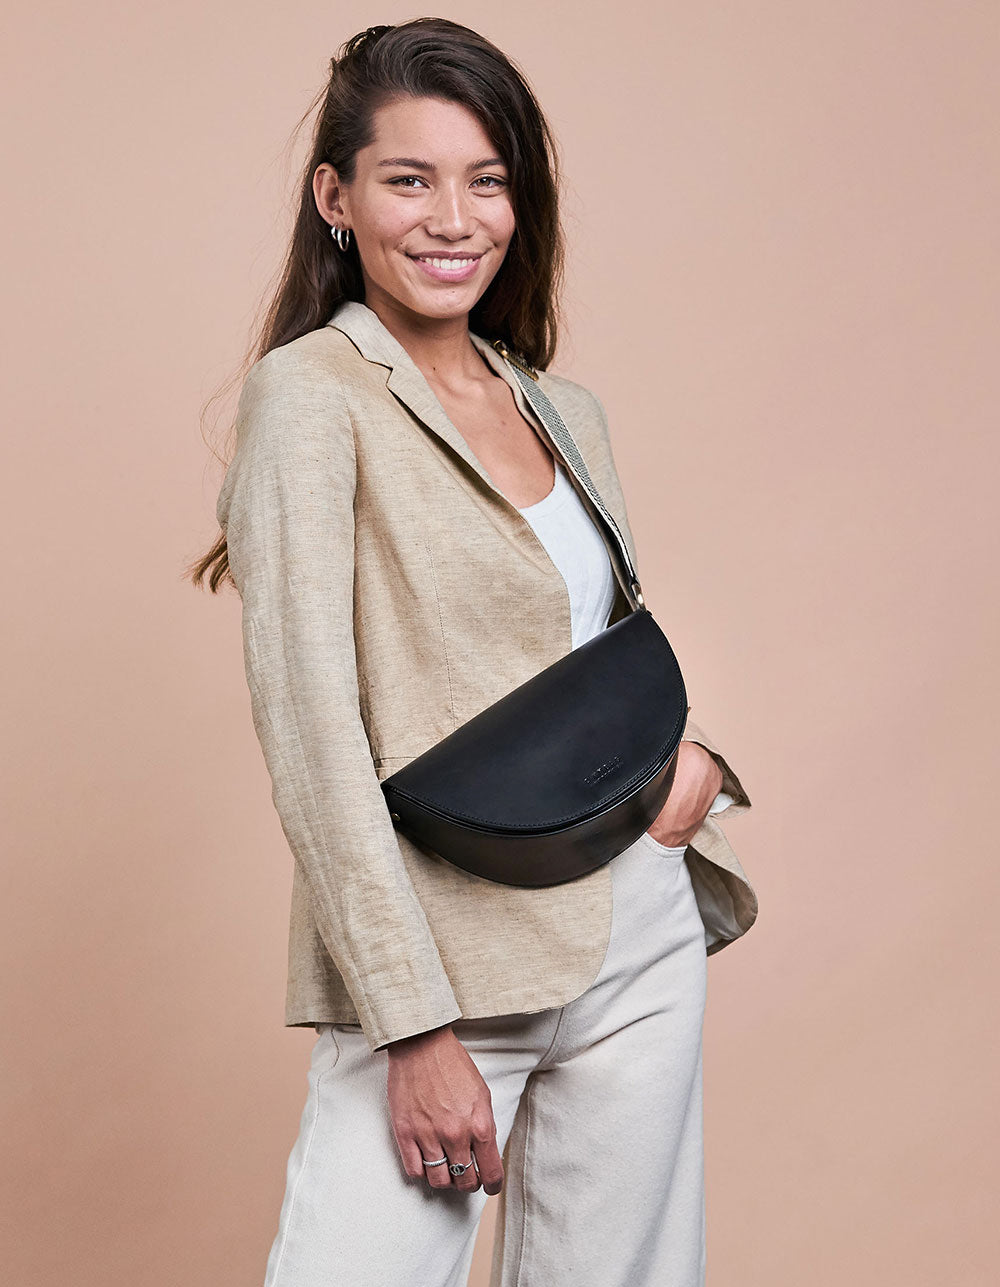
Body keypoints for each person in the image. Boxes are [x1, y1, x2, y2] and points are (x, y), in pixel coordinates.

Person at [191, 18, 758, 1286]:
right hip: (446, 959)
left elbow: (588, 651)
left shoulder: (564, 409)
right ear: (335, 198)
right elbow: (312, 732)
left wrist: (692, 772)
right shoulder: (311, 397)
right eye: (410, 179)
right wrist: (410, 1025)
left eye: (486, 181)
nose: (453, 219)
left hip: (635, 926)